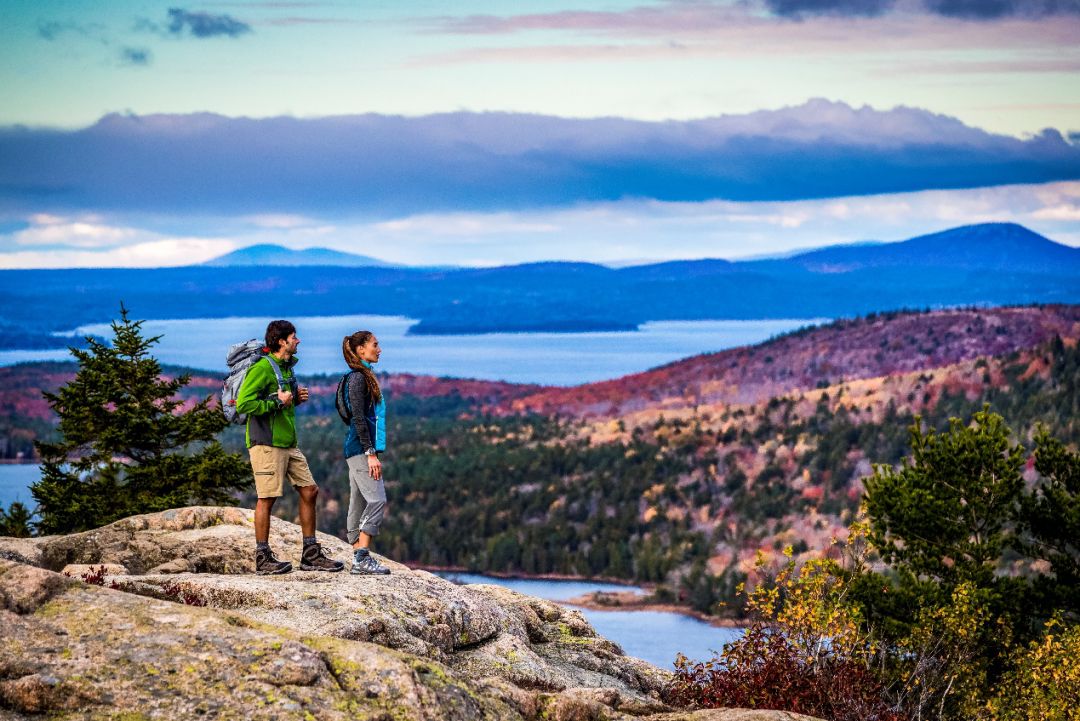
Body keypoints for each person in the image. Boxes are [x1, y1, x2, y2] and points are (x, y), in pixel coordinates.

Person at [236, 320, 345, 575]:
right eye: (294, 337)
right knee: (267, 498)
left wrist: (293, 400)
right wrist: (277, 402)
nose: (298, 341)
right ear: (282, 341)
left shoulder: (287, 369)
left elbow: (282, 402)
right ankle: (262, 558)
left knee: (310, 490)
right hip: (266, 443)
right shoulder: (262, 369)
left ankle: (310, 554)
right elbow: (244, 404)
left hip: (288, 442)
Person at [341, 330, 392, 575]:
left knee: (358, 501)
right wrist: (370, 452)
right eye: (375, 344)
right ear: (361, 349)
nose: (379, 349)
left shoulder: (363, 376)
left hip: (358, 448)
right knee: (377, 499)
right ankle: (362, 557)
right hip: (362, 450)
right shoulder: (359, 379)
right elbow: (358, 418)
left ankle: (356, 555)